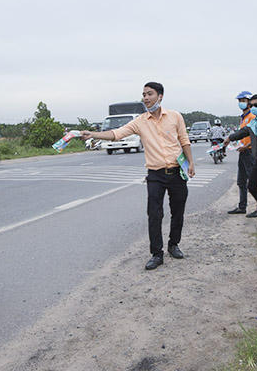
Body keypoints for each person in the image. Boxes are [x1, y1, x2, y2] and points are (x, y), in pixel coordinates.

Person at [82, 82, 194, 270]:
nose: (146, 98)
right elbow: (116, 134)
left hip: (177, 172)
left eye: (149, 94)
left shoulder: (175, 116)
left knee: (178, 211)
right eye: (143, 95)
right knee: (154, 214)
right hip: (155, 174)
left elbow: (184, 140)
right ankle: (156, 254)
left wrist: (190, 162)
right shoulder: (140, 121)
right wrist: (93, 134)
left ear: (160, 96)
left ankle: (173, 244)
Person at [224, 94, 257, 219]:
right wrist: (229, 138)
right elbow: (243, 132)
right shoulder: (253, 122)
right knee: (252, 186)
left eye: (255, 105)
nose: (252, 107)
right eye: (251, 105)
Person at [227, 91, 255, 215]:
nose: (241, 103)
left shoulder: (252, 117)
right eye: (239, 101)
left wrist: (247, 146)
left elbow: (255, 136)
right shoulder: (243, 117)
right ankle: (242, 206)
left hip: (250, 151)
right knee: (241, 181)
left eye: (243, 101)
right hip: (243, 151)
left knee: (253, 181)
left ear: (249, 102)